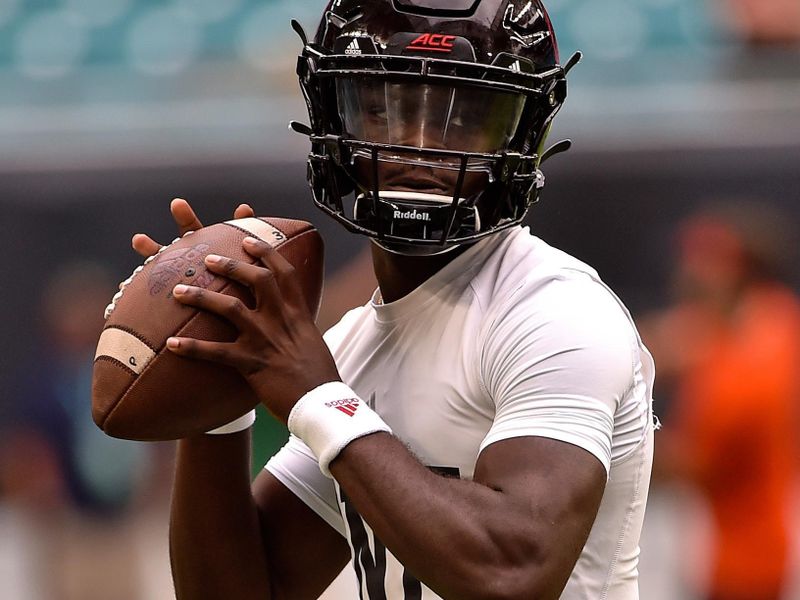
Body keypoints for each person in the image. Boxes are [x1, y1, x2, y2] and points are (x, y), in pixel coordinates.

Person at [132, 1, 656, 597]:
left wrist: (318, 397)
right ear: (333, 118)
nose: (419, 147)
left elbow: (513, 574)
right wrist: (214, 392)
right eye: (385, 108)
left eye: (462, 117)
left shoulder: (556, 313)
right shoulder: (348, 349)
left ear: (521, 133)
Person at [644, 205, 800, 600]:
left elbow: (688, 464)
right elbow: (672, 337)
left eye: (703, 259)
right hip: (754, 531)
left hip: (739, 557)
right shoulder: (774, 315)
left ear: (736, 270)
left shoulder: (746, 375)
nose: (686, 269)